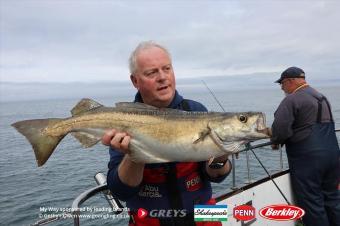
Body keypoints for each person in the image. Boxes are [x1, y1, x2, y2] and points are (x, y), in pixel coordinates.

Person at [102, 41, 232, 226]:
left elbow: (216, 176)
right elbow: (121, 192)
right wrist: (133, 154)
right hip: (151, 219)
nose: (162, 77)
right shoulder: (123, 120)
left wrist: (221, 156)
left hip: (205, 213)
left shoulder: (196, 111)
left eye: (167, 68)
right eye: (151, 72)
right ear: (135, 81)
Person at [271, 66, 340, 226]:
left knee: (312, 204)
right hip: (333, 156)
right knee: (332, 199)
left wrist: (276, 141)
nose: (281, 88)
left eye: (282, 83)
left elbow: (279, 131)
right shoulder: (322, 97)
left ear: (290, 81)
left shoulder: (291, 100)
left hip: (308, 160)